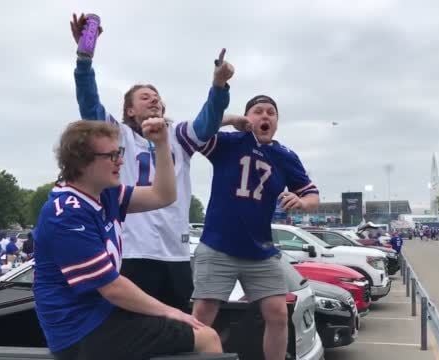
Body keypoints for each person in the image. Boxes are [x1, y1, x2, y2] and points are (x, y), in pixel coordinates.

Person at [70, 14, 238, 312]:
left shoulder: (180, 136)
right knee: (133, 332)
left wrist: (219, 86)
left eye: (157, 96)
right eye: (145, 97)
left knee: (178, 330)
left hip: (175, 253)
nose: (154, 100)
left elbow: (208, 119)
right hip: (133, 252)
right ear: (130, 110)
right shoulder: (117, 135)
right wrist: (84, 59)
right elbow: (89, 103)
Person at [33, 120, 221, 360]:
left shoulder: (105, 193)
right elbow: (112, 288)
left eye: (119, 152)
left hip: (102, 316)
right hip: (81, 331)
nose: (120, 161)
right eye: (111, 155)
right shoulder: (66, 213)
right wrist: (170, 311)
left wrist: (162, 145)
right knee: (207, 338)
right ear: (82, 161)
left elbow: (163, 195)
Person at [187, 95, 320, 360]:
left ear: (277, 122)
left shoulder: (285, 156)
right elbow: (197, 130)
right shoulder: (230, 142)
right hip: (218, 246)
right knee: (202, 315)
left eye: (272, 112)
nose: (265, 116)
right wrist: (230, 119)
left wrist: (302, 202)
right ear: (248, 117)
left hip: (261, 250)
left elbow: (313, 196)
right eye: (258, 111)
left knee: (279, 314)